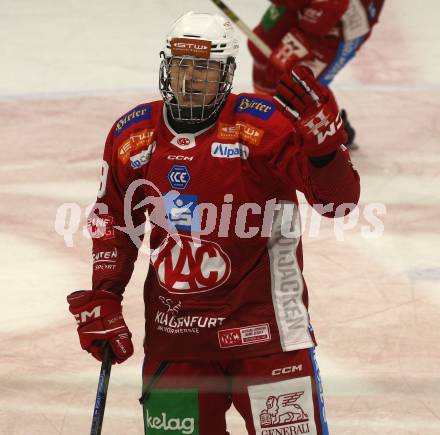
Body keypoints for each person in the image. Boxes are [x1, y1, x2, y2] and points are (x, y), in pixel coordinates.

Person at [67, 11, 360, 435]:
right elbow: (113, 219)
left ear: (226, 72)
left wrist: (325, 148)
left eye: (204, 68)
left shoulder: (263, 127)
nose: (189, 79)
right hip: (176, 340)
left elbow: (339, 203)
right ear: (167, 66)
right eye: (182, 65)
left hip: (268, 337)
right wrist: (105, 294)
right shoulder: (133, 135)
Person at [248, 0, 385, 147]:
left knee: (300, 81)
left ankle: (329, 130)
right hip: (315, 8)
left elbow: (331, 7)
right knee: (262, 46)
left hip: (344, 21)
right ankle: (268, 124)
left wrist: (297, 44)